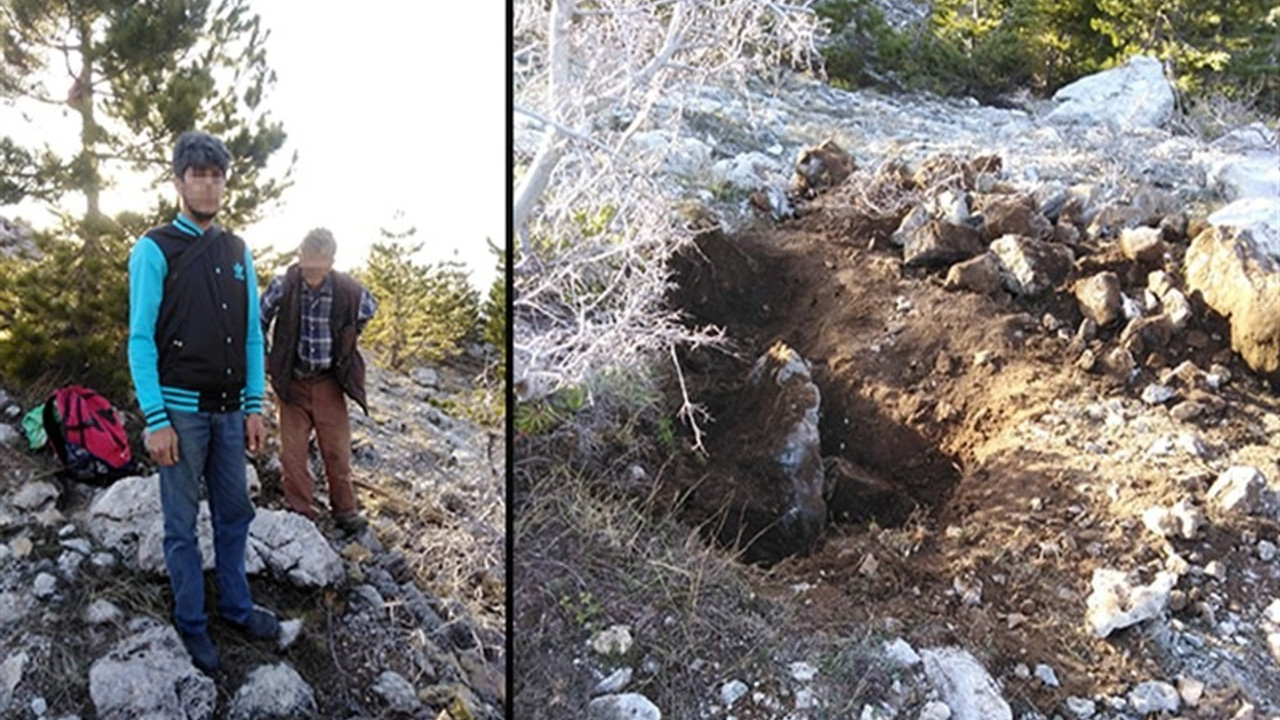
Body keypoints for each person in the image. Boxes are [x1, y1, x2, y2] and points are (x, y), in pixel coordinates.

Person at [127, 131, 280, 674]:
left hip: (231, 413)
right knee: (180, 522)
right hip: (181, 414)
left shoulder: (237, 251)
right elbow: (141, 338)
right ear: (178, 181)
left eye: (216, 176)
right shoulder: (154, 249)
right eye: (198, 175)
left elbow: (250, 336)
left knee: (235, 512)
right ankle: (192, 623)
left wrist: (254, 406)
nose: (208, 185)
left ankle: (236, 607)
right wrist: (156, 418)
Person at [260, 228, 377, 533]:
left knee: (337, 450)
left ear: (331, 261)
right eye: (306, 262)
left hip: (329, 382)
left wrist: (349, 336)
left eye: (318, 263)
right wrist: (264, 357)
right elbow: (257, 319)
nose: (311, 269)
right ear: (299, 256)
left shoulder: (347, 289)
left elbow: (369, 308)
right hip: (292, 382)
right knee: (293, 453)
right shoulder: (283, 285)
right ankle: (301, 512)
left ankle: (346, 510)